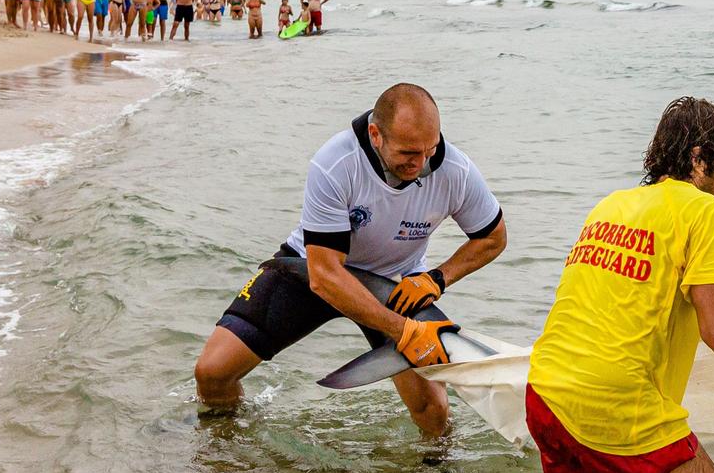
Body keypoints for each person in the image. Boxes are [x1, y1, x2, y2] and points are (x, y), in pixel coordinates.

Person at [193, 83, 509, 445]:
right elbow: (325, 276)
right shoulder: (336, 164)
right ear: (376, 134)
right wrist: (402, 332)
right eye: (408, 152)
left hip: (396, 284)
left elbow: (493, 238)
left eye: (430, 150)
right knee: (212, 373)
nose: (421, 165)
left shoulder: (454, 170)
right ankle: (224, 450)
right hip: (312, 269)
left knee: (434, 414)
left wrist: (437, 278)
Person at [525, 98, 714, 473]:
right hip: (614, 408)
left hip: (546, 395)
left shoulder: (612, 205)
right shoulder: (705, 212)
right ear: (699, 158)